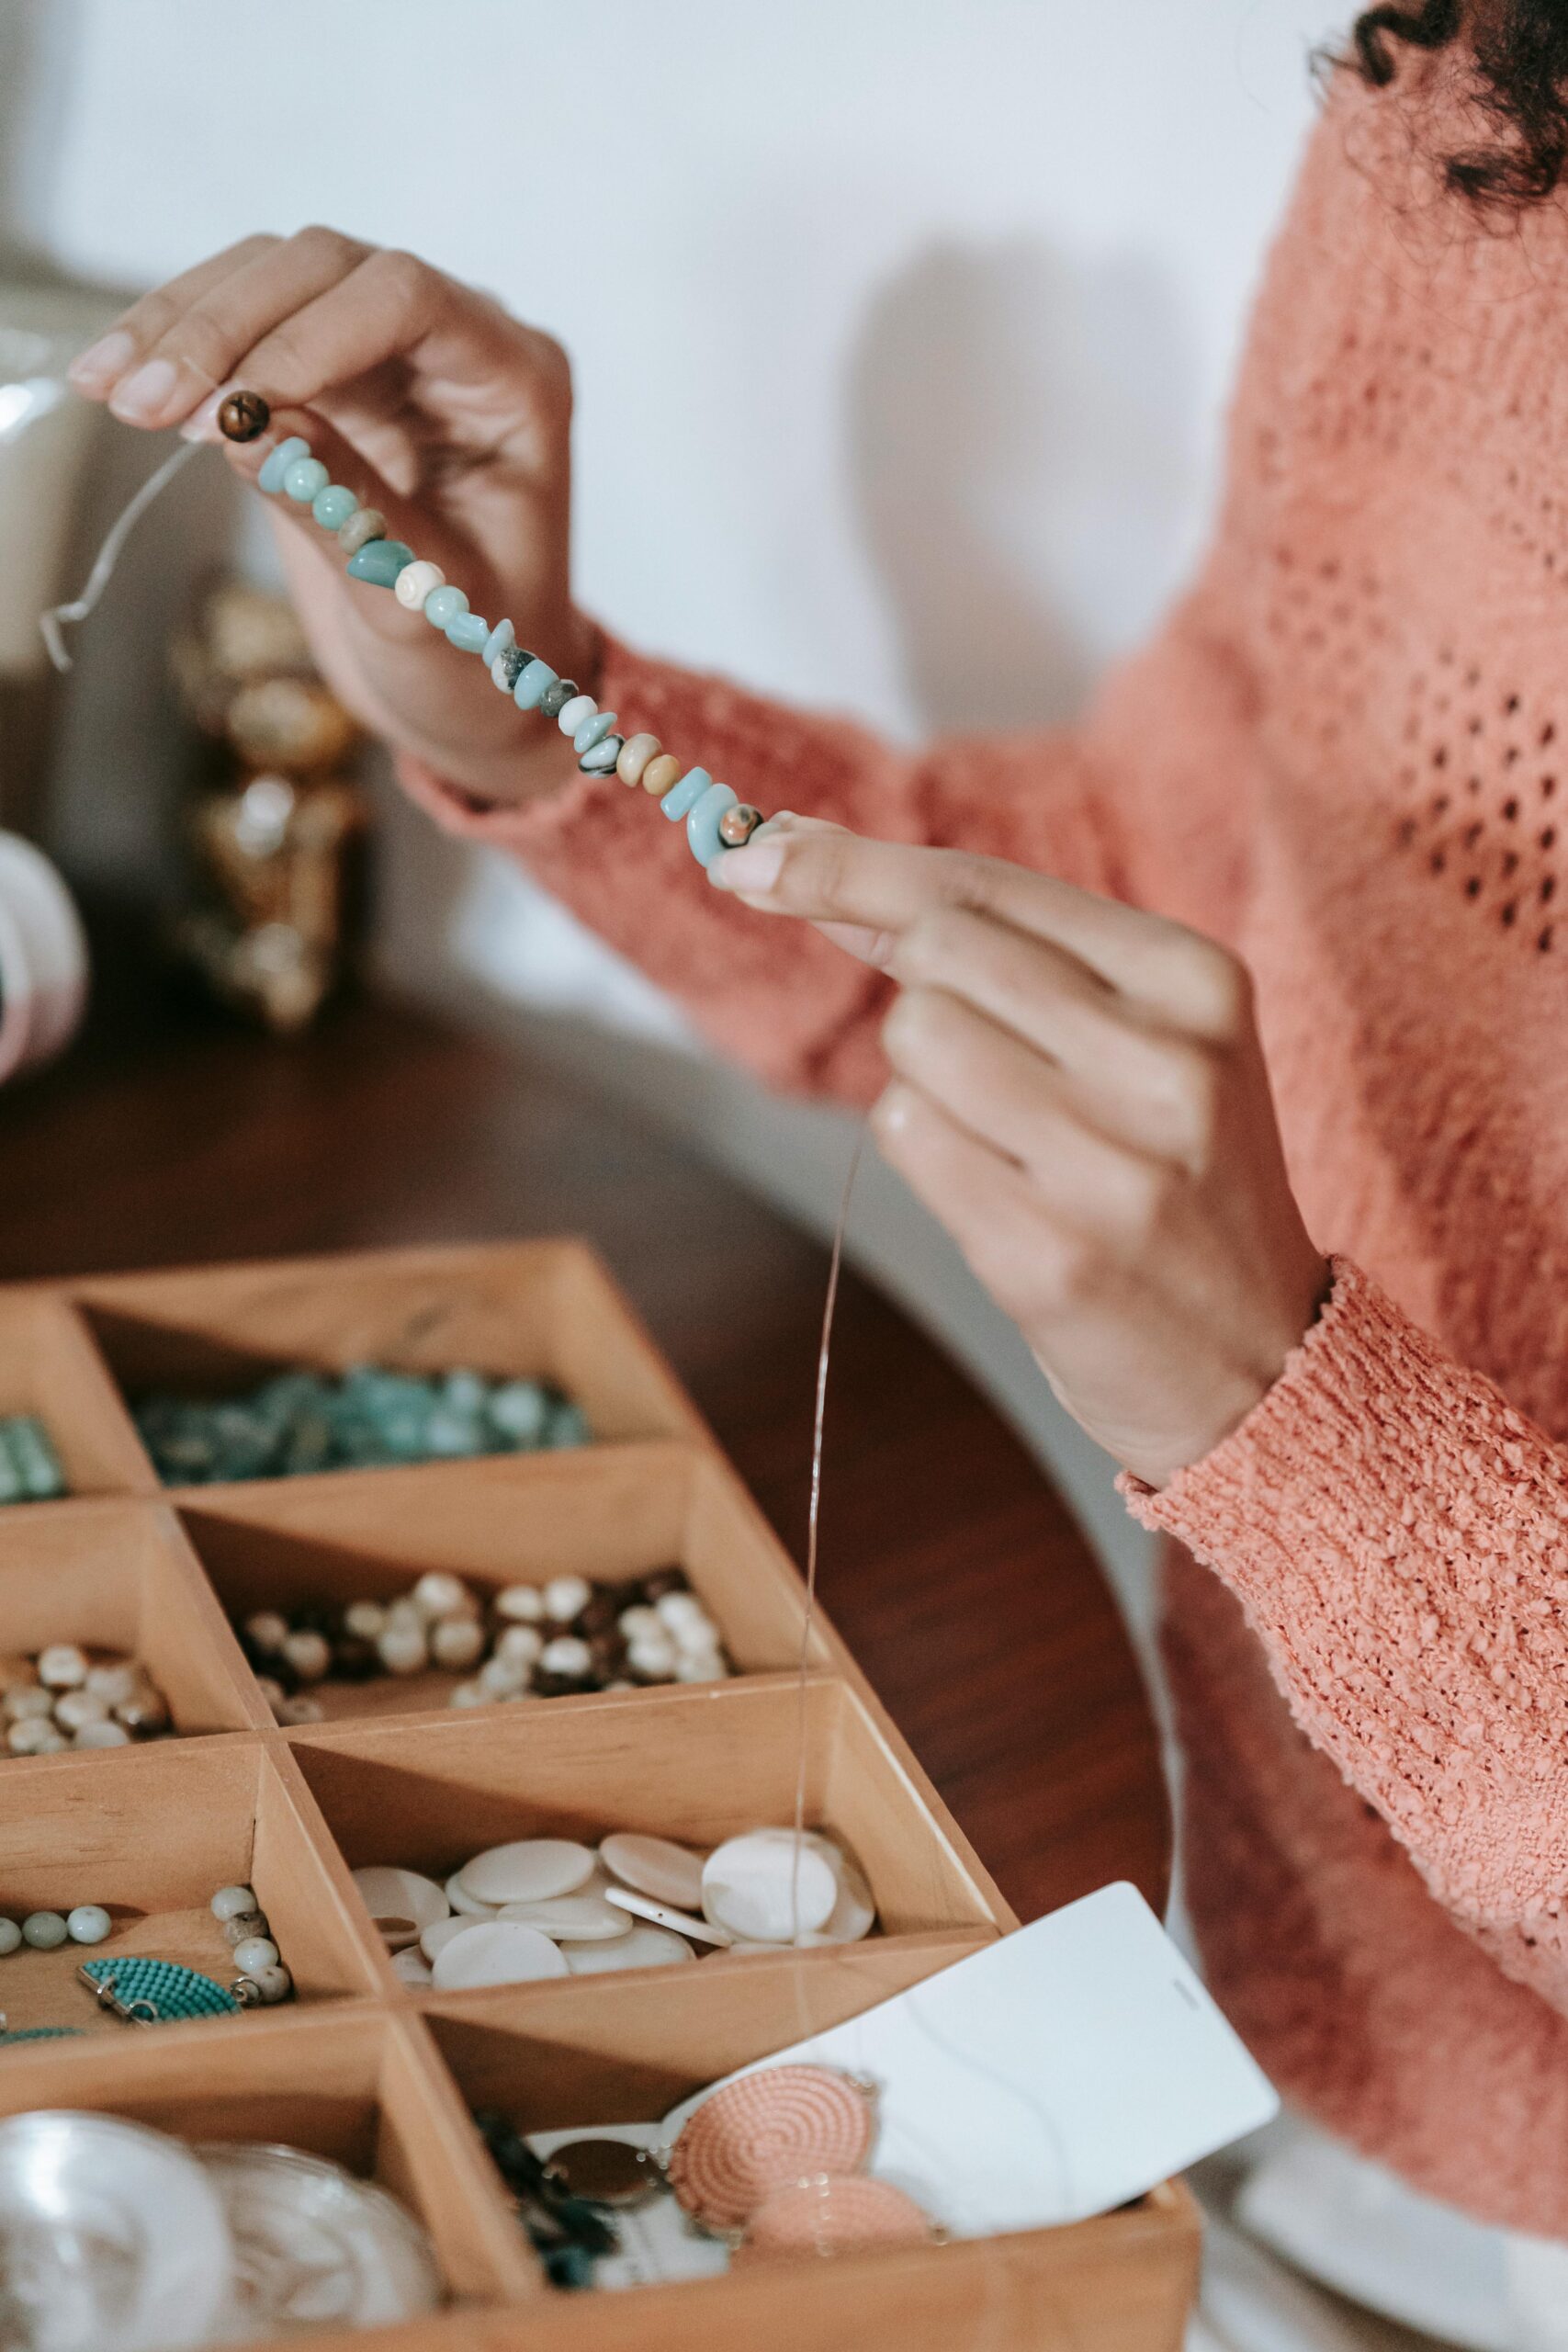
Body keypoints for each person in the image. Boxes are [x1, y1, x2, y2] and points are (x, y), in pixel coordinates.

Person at [67, 7, 1568, 2345]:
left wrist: (1293, 1424)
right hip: (1256, 1986)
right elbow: (1157, 894)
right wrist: (537, 708)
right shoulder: (1478, 94)